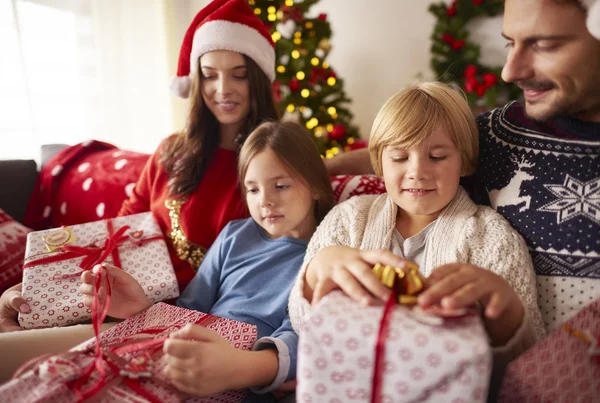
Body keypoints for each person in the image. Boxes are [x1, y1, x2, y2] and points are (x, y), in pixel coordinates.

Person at [1, 121, 335, 399]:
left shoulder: (325, 253)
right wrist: (142, 309)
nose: (266, 201)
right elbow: (191, 307)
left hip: (231, 366)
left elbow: (302, 336)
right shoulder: (236, 234)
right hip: (177, 341)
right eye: (252, 189)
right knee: (54, 379)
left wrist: (242, 364)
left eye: (280, 185)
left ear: (316, 186)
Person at [320, 0, 600, 333]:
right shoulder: (497, 134)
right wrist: (308, 174)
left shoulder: (490, 235)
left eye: (545, 45)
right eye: (510, 43)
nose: (510, 72)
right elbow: (409, 144)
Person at [0, 0, 279, 333]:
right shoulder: (171, 151)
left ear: (258, 80)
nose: (222, 89)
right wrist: (59, 282)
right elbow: (124, 224)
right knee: (18, 316)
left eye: (239, 75)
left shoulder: (272, 165)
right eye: (208, 75)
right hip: (123, 299)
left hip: (190, 321)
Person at [288, 82, 546, 368]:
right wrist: (316, 272)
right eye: (399, 157)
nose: (417, 172)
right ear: (380, 162)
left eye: (437, 157)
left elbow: (529, 355)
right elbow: (302, 325)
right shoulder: (347, 220)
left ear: (464, 161)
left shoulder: (492, 238)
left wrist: (505, 308)